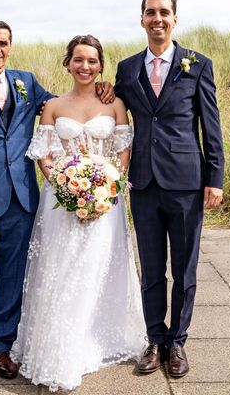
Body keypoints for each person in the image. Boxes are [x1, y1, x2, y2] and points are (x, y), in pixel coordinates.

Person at [0, 21, 114, 392]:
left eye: (3, 43)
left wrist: (99, 88)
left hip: (21, 202)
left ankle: (2, 348)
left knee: (12, 281)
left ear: (10, 46)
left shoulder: (27, 83)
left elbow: (64, 105)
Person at [11, 35, 146, 392]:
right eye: (78, 60)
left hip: (107, 200)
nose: (85, 66)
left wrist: (105, 188)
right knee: (63, 268)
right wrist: (68, 189)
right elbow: (44, 154)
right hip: (62, 201)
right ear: (67, 63)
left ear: (101, 66)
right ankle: (59, 346)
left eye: (91, 61)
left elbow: (123, 151)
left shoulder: (115, 104)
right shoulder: (52, 106)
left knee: (99, 267)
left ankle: (96, 337)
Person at [114, 0, 225, 378]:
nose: (157, 18)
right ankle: (155, 339)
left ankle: (178, 341)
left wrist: (216, 177)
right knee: (151, 268)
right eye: (150, 12)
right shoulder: (126, 69)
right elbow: (116, 110)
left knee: (184, 268)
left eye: (164, 12)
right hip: (142, 183)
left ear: (175, 19)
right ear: (141, 19)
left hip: (186, 183)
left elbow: (211, 126)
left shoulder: (197, 64)